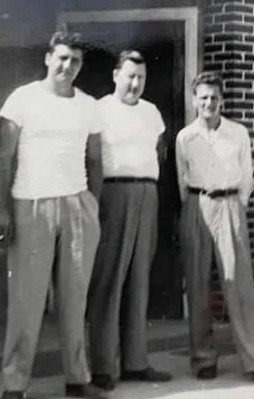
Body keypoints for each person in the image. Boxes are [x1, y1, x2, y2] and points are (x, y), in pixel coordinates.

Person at [0, 30, 106, 399]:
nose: (67, 66)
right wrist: (1, 208)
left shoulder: (88, 105)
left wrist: (91, 205)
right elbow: (4, 158)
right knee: (27, 298)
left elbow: (95, 159)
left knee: (75, 298)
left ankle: (77, 378)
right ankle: (15, 383)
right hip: (31, 203)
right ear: (48, 58)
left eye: (75, 61)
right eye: (62, 58)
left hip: (77, 204)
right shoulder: (22, 99)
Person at [175, 72, 254, 385]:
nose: (209, 103)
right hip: (197, 204)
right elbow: (182, 177)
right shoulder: (185, 137)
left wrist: (236, 205)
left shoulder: (238, 133)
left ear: (222, 100)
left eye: (214, 97)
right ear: (194, 100)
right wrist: (195, 205)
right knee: (197, 284)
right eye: (203, 98)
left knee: (239, 283)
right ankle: (203, 358)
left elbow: (248, 175)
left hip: (230, 204)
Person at [87, 50, 172, 390]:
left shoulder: (152, 112)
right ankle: (103, 366)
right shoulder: (99, 110)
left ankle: (136, 362)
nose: (135, 84)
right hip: (113, 193)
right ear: (115, 76)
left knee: (139, 279)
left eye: (140, 78)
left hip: (146, 193)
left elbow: (159, 151)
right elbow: (90, 158)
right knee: (109, 279)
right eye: (129, 76)